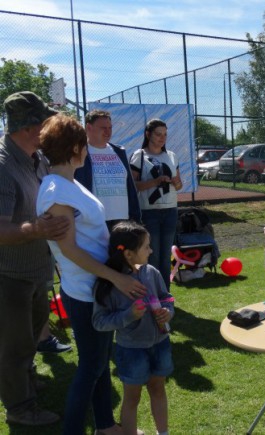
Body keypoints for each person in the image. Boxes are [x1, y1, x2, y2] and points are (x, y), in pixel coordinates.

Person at [36, 113, 147, 434]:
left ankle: (105, 426)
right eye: (83, 143)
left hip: (96, 287)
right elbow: (69, 250)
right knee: (91, 367)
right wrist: (117, 277)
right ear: (75, 147)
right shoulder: (56, 190)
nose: (87, 148)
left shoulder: (68, 184)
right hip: (85, 291)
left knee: (98, 363)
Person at [0, 91, 69, 426]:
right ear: (29, 127)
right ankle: (20, 408)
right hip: (9, 274)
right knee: (13, 345)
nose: (50, 128)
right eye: (45, 122)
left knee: (29, 338)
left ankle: (25, 382)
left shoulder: (37, 158)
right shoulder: (3, 166)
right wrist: (37, 229)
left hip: (36, 268)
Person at [93, 221, 174, 435]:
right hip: (131, 350)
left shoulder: (151, 272)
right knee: (132, 398)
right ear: (128, 254)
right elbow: (99, 321)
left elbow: (166, 297)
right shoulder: (109, 284)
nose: (151, 251)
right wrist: (129, 315)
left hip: (160, 343)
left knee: (158, 388)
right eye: (146, 247)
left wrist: (168, 311)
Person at [130, 119, 182, 288]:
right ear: (148, 134)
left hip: (170, 211)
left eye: (165, 134)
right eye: (158, 134)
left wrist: (176, 183)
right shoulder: (139, 156)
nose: (162, 138)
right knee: (152, 256)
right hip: (149, 212)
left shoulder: (172, 156)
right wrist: (155, 182)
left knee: (166, 257)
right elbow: (132, 186)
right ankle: (151, 293)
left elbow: (179, 185)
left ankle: (165, 294)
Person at [75, 109, 141, 230]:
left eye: (110, 127)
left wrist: (136, 219)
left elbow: (130, 187)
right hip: (94, 222)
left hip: (123, 222)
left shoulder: (119, 151)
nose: (108, 131)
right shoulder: (79, 152)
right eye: (103, 128)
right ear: (89, 127)